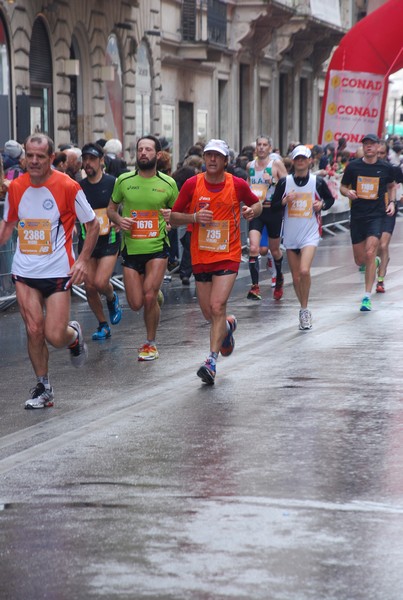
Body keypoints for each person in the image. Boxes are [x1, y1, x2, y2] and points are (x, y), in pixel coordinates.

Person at [0, 133, 99, 409]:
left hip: (57, 271)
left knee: (55, 335)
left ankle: (73, 335)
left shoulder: (67, 187)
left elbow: (93, 225)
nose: (33, 161)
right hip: (24, 271)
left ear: (51, 158)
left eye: (40, 156)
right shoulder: (17, 188)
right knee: (33, 329)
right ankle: (43, 387)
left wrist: (81, 260)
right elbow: (8, 226)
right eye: (29, 155)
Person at [170, 138, 262, 385]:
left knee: (218, 305)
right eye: (208, 155)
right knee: (209, 312)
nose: (211, 159)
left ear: (225, 161)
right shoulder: (192, 184)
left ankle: (210, 362)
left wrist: (253, 211)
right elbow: (175, 218)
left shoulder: (237, 184)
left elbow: (257, 203)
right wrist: (194, 217)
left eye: (217, 156)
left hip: (227, 254)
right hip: (200, 256)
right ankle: (227, 329)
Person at [107, 135, 178, 361]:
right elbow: (111, 209)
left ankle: (150, 343)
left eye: (148, 149)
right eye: (140, 149)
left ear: (157, 154)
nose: (143, 153)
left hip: (157, 247)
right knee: (136, 303)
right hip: (131, 248)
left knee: (147, 297)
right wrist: (119, 220)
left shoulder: (168, 183)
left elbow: (177, 214)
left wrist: (170, 220)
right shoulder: (124, 180)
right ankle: (155, 295)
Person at [271, 145, 334, 330]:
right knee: (297, 278)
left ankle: (305, 310)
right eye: (297, 158)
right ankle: (302, 307)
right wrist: (284, 201)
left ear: (309, 161)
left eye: (303, 158)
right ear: (292, 161)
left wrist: (320, 204)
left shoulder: (317, 182)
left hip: (310, 233)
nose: (300, 161)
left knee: (304, 271)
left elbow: (329, 200)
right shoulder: (285, 182)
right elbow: (274, 206)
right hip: (291, 235)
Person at [340, 134, 396, 311]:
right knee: (360, 260)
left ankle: (366, 297)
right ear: (363, 147)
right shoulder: (353, 167)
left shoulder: (385, 167)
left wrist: (392, 202)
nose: (369, 147)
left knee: (371, 252)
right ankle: (375, 264)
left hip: (376, 216)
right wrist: (347, 193)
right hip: (357, 216)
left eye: (372, 144)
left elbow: (392, 186)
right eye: (366, 144)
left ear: (378, 146)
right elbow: (342, 186)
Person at [79, 143, 122, 339]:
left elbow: (126, 205)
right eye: (85, 159)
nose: (88, 163)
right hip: (87, 241)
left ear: (101, 161)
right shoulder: (78, 187)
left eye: (92, 159)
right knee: (89, 286)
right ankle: (102, 324)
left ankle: (112, 298)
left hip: (109, 238)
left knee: (100, 282)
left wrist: (120, 221)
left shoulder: (113, 182)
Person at [246, 135, 288, 301]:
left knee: (274, 250)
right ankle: (255, 286)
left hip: (273, 211)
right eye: (259, 145)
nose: (262, 147)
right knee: (254, 248)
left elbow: (287, 183)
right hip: (257, 211)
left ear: (270, 148)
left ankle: (279, 279)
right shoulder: (250, 166)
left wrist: (274, 181)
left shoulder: (275, 164)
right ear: (256, 148)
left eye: (265, 145)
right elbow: (248, 184)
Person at [374, 140, 399, 293]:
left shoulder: (391, 169)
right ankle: (383, 259)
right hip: (371, 212)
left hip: (388, 210)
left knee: (383, 245)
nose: (379, 156)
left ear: (386, 154)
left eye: (382, 153)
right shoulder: (366, 168)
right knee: (375, 247)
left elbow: (394, 186)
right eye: (377, 153)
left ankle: (381, 280)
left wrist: (392, 202)